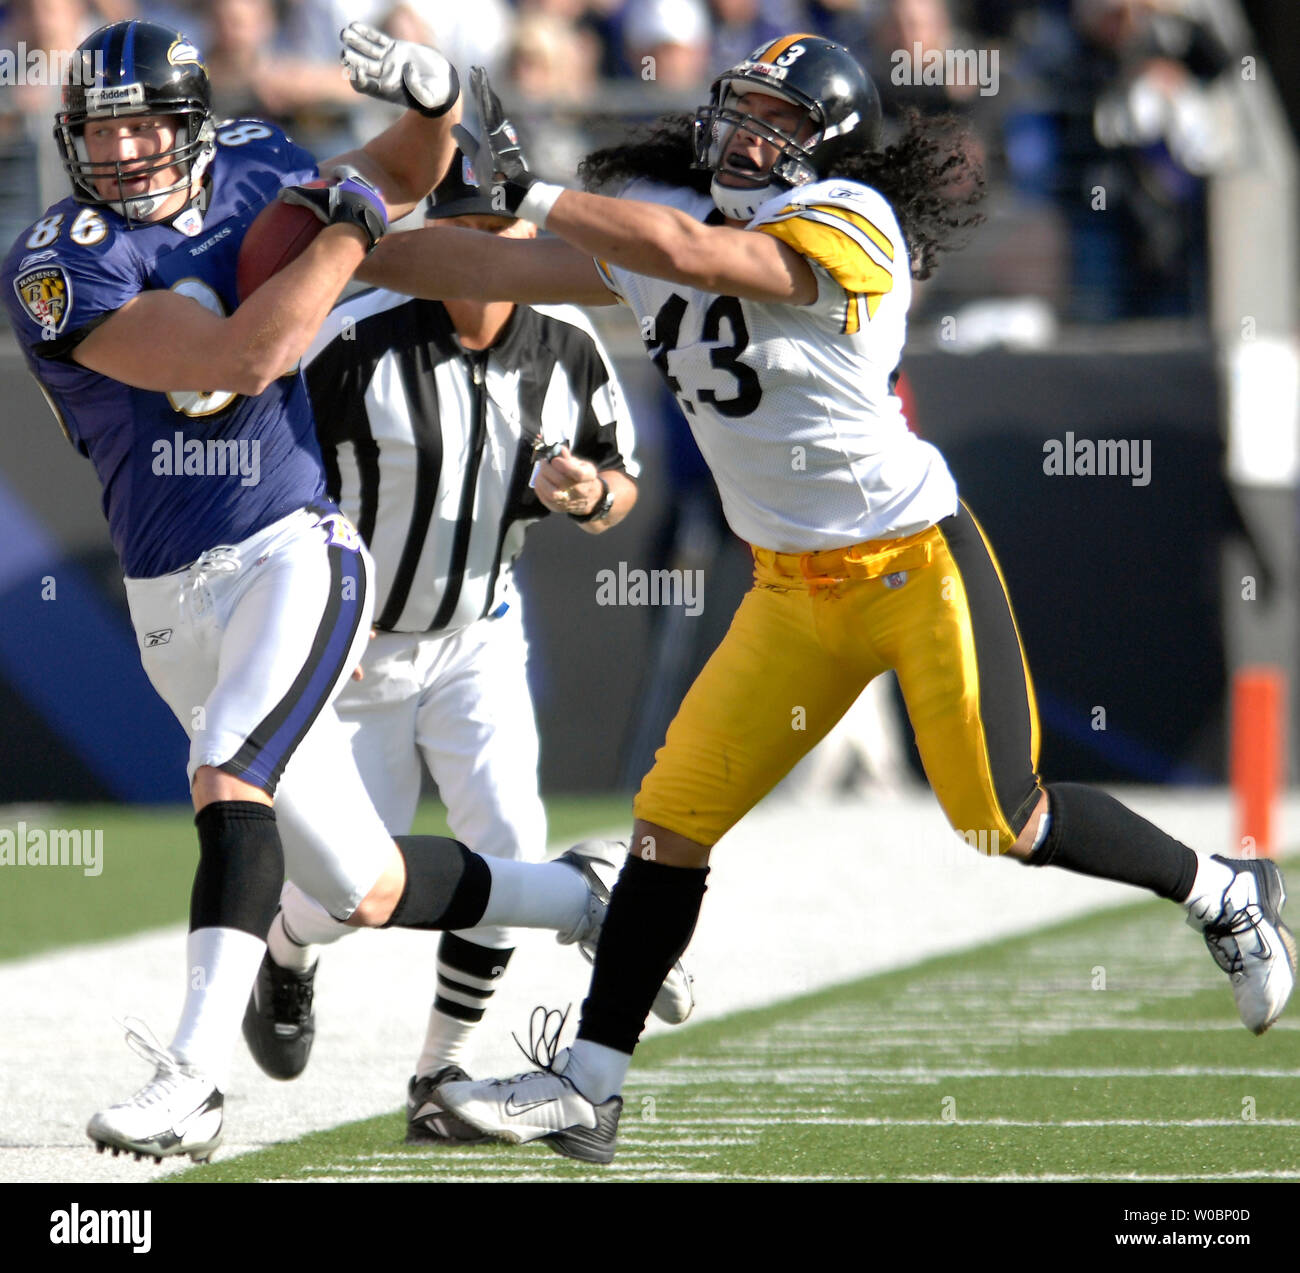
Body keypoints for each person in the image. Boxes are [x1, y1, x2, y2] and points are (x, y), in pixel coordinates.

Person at [353, 34, 1296, 1164]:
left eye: (781, 124)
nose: (752, 137)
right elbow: (468, 270)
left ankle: (1222, 888)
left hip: (908, 563)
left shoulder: (846, 221)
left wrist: (535, 188)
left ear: (829, 153)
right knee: (670, 827)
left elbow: (705, 259)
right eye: (743, 109)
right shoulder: (669, 233)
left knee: (1006, 814)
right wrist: (333, 236)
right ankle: (590, 1087)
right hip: (787, 589)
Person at [0, 18, 673, 1165]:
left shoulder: (260, 166)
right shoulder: (60, 263)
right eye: (100, 133)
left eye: (145, 127)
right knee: (361, 888)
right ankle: (581, 899)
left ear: (194, 125)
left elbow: (412, 180)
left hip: (291, 548)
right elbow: (244, 356)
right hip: (171, 595)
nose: (120, 156)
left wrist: (427, 104)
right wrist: (348, 219)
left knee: (227, 770)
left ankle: (193, 1081)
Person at [241, 157, 693, 1145]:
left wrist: (586, 496)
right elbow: (270, 493)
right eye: (465, 232)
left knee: (503, 847)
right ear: (427, 240)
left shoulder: (568, 346)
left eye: (504, 231)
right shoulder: (352, 341)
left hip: (477, 636)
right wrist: (307, 619)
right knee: (347, 891)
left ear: (534, 236)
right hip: (356, 652)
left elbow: (619, 488)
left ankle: (437, 1070)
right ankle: (288, 954)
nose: (487, 253)